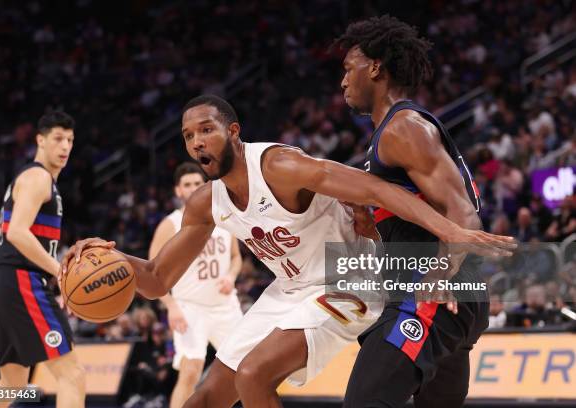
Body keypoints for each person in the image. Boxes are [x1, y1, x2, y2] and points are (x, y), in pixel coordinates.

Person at [62, 95, 514, 407]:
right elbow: (158, 278)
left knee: (254, 374)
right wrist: (115, 261)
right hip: (293, 287)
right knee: (203, 399)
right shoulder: (205, 202)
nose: (197, 141)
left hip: (350, 276)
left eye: (206, 130)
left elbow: (374, 186)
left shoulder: (279, 165)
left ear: (233, 132)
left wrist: (449, 228)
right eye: (188, 136)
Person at [336, 16, 504, 407]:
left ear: (375, 67)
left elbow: (463, 212)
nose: (343, 80)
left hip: (431, 290)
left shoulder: (403, 128)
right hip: (452, 294)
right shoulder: (395, 133)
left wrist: (441, 275)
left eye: (348, 69)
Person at [0, 111, 85, 408]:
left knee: (12, 383)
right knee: (73, 375)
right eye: (58, 139)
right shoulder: (37, 176)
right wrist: (61, 273)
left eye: (70, 140)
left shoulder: (38, 180)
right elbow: (17, 233)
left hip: (4, 282)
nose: (65, 146)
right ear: (40, 140)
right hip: (21, 281)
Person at [149, 162, 243, 408]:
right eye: (187, 185)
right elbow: (150, 273)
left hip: (225, 306)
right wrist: (171, 306)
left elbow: (236, 257)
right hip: (190, 307)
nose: (193, 188)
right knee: (191, 370)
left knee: (244, 369)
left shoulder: (223, 216)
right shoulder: (170, 224)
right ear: (178, 191)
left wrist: (231, 277)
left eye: (197, 183)